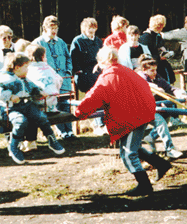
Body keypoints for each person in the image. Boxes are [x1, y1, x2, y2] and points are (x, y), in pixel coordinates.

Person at [73, 47, 171, 196]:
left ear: (101, 62)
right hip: (140, 111)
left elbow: (94, 96)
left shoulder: (107, 76)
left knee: (128, 153)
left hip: (133, 115)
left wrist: (79, 111)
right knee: (133, 147)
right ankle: (161, 164)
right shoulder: (126, 71)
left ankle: (144, 185)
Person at [0, 53, 65, 164]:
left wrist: (39, 92)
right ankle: (14, 146)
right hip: (11, 108)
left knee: (41, 117)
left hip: (27, 105)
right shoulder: (2, 78)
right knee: (20, 121)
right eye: (26, 67)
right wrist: (9, 96)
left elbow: (32, 87)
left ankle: (52, 140)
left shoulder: (22, 77)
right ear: (17, 67)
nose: (28, 70)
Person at [32, 15, 75, 139]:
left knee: (66, 104)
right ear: (45, 28)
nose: (54, 30)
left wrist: (68, 71)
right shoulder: (38, 43)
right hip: (49, 81)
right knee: (53, 106)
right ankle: (61, 132)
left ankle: (70, 131)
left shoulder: (60, 42)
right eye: (51, 27)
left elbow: (68, 57)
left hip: (63, 79)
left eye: (56, 27)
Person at [136, 55, 186, 159]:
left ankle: (151, 137)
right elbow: (144, 85)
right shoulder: (140, 77)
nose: (155, 72)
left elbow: (169, 87)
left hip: (154, 107)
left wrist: (179, 93)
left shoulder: (156, 77)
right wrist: (154, 88)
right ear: (144, 70)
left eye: (155, 70)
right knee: (161, 123)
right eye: (152, 70)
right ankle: (170, 149)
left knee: (165, 118)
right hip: (141, 110)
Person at [22, 44, 64, 152]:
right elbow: (59, 80)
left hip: (39, 104)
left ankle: (30, 141)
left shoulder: (29, 69)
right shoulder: (48, 67)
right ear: (43, 56)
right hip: (52, 104)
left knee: (27, 110)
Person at [69, 17, 105, 134]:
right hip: (84, 75)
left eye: (93, 28)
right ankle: (98, 125)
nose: (91, 31)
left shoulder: (98, 41)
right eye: (89, 28)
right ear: (83, 28)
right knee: (96, 94)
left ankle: (103, 122)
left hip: (98, 72)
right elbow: (74, 59)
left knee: (106, 92)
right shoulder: (78, 41)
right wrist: (79, 72)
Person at [139, 14, 175, 84]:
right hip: (152, 66)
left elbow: (160, 47)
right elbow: (145, 55)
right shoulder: (145, 37)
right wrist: (159, 57)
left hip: (161, 65)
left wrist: (164, 52)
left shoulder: (157, 36)